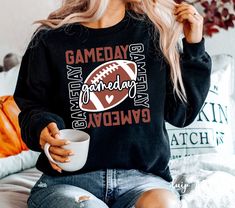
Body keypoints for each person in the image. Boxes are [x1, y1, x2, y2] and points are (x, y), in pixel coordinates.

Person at [13, 0, 211, 207]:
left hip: (144, 181)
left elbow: (182, 113)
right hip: (68, 182)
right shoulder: (50, 38)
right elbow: (32, 107)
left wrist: (194, 47)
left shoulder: (155, 32)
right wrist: (43, 130)